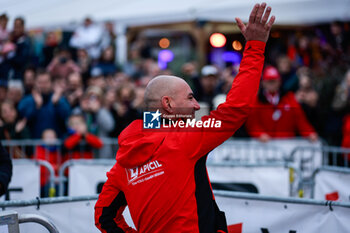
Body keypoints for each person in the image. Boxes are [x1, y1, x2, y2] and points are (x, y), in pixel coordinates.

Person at [95, 3, 275, 233]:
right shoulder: (186, 139)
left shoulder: (123, 162)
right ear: (168, 104)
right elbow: (236, 108)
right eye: (190, 98)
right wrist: (255, 47)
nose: (197, 105)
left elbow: (103, 217)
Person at [245, 65, 318, 142]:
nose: (272, 84)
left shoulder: (289, 98)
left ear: (279, 81)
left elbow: (300, 119)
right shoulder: (257, 101)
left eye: (274, 81)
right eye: (269, 81)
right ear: (263, 83)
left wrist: (309, 133)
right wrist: (259, 134)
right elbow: (252, 124)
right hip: (265, 146)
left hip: (286, 145)